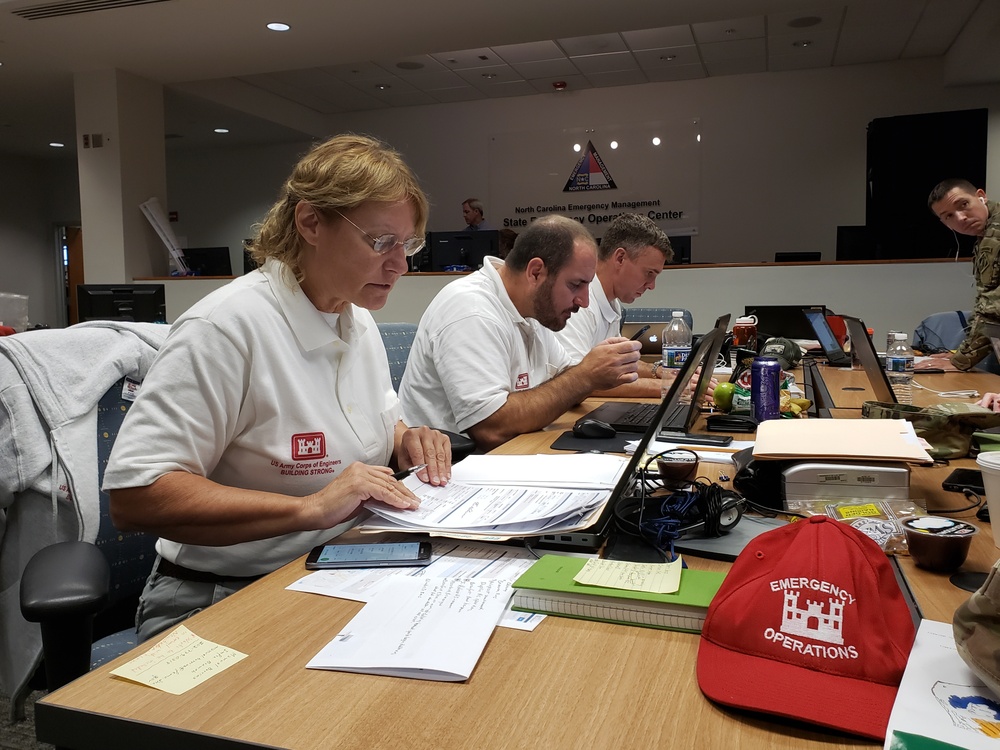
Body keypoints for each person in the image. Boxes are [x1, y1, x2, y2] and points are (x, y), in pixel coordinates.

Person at [104, 134, 453, 641]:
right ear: (310, 222)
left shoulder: (355, 320)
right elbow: (136, 496)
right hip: (221, 594)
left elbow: (377, 417)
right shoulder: (226, 328)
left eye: (408, 245)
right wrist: (310, 509)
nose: (400, 264)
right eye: (381, 242)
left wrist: (406, 439)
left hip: (331, 569)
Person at [398, 214, 641, 451]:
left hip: (509, 458)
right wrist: (586, 376)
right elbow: (491, 429)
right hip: (453, 473)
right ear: (535, 272)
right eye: (575, 284)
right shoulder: (471, 310)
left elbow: (568, 382)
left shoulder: (531, 310)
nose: (584, 301)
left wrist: (595, 371)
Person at [555, 213, 675, 398]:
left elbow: (619, 365)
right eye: (649, 273)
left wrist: (660, 371)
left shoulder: (613, 303)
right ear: (620, 258)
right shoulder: (577, 303)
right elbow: (576, 381)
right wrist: (671, 388)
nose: (652, 285)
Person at [921, 178, 1000, 373]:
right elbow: (985, 302)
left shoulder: (995, 237)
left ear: (981, 196)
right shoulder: (986, 233)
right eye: (948, 216)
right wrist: (960, 354)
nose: (960, 218)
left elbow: (994, 311)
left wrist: (960, 361)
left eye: (964, 205)